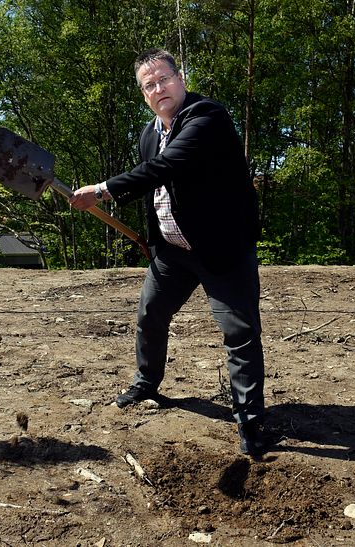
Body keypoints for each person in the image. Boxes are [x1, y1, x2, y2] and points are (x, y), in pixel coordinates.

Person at [69, 48, 266, 456]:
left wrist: (103, 190)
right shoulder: (147, 134)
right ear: (143, 95)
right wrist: (151, 239)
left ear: (181, 79)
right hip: (172, 251)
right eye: (149, 85)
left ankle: (251, 422)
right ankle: (146, 382)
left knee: (240, 333)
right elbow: (157, 192)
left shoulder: (207, 117)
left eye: (164, 79)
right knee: (150, 315)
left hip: (221, 250)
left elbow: (167, 167)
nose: (159, 89)